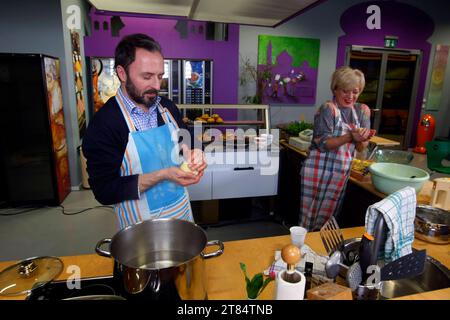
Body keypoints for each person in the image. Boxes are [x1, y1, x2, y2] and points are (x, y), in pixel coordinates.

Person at [82, 33, 207, 230]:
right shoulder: (105, 125)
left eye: (159, 76)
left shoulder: (167, 108)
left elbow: (185, 141)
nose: (156, 86)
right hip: (140, 230)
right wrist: (162, 174)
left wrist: (193, 153)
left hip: (181, 216)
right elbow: (104, 191)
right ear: (122, 74)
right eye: (147, 76)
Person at [299, 66, 371, 231]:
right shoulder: (328, 109)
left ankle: (321, 250)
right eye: (345, 91)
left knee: (329, 216)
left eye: (355, 91)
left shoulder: (362, 111)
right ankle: (303, 249)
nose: (350, 96)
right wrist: (350, 136)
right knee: (309, 215)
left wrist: (362, 139)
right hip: (317, 170)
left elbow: (361, 147)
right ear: (335, 89)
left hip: (340, 172)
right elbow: (323, 144)